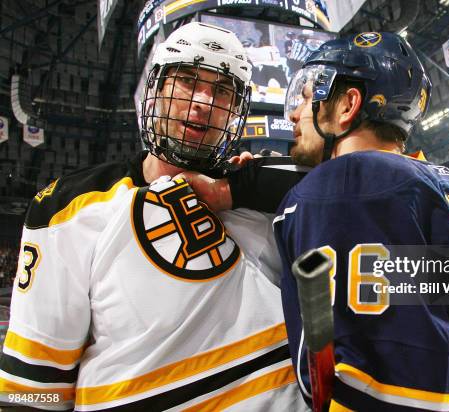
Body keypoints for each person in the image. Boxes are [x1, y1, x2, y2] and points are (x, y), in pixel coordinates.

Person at [0, 22, 306, 411]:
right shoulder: (69, 207)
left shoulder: (268, 197)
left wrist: (241, 188)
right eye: (187, 81)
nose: (203, 101)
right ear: (156, 90)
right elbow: (28, 391)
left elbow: (377, 180)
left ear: (237, 109)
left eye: (222, 90)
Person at [274, 31, 449, 411]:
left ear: (348, 104)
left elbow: (376, 362)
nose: (294, 113)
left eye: (307, 97)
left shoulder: (338, 186)